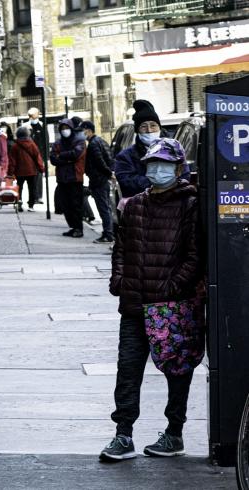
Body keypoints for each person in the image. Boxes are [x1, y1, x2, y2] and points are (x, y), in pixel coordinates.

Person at [100, 138, 201, 461]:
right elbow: (120, 247)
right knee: (128, 370)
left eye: (165, 165)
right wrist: (119, 280)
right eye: (152, 164)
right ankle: (123, 434)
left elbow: (195, 255)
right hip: (134, 302)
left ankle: (174, 432)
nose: (157, 170)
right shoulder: (134, 205)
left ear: (179, 168)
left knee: (177, 369)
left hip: (172, 306)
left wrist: (174, 286)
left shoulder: (190, 204)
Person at [115, 99, 189, 199]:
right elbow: (127, 183)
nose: (149, 130)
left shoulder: (175, 150)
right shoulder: (125, 156)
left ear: (159, 128)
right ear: (137, 131)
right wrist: (162, 180)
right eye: (143, 126)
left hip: (172, 203)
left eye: (153, 125)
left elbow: (184, 175)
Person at [50, 118, 86, 237]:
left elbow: (76, 155)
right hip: (62, 178)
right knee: (66, 205)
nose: (65, 131)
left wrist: (61, 156)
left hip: (75, 178)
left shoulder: (79, 141)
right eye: (62, 129)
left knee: (76, 204)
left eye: (66, 128)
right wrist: (67, 159)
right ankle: (72, 226)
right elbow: (53, 159)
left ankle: (78, 228)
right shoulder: (58, 143)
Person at [80, 120, 115, 243]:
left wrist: (108, 173)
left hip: (99, 180)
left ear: (88, 130)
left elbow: (99, 162)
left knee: (103, 208)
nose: (81, 134)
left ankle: (108, 235)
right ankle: (109, 232)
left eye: (82, 131)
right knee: (106, 207)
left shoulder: (94, 144)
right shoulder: (100, 141)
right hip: (102, 179)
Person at [7, 126, 45, 212]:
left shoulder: (15, 146)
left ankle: (19, 201)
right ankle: (31, 205)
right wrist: (41, 168)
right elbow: (37, 157)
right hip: (31, 171)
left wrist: (10, 172)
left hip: (19, 171)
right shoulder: (32, 144)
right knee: (32, 188)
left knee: (19, 187)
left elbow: (12, 161)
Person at [25, 107, 46, 204]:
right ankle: (33, 196)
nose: (33, 117)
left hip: (39, 156)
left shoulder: (42, 125)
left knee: (39, 177)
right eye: (31, 115)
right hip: (29, 157)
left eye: (34, 115)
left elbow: (45, 141)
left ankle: (39, 197)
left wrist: (46, 158)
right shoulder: (26, 126)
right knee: (31, 177)